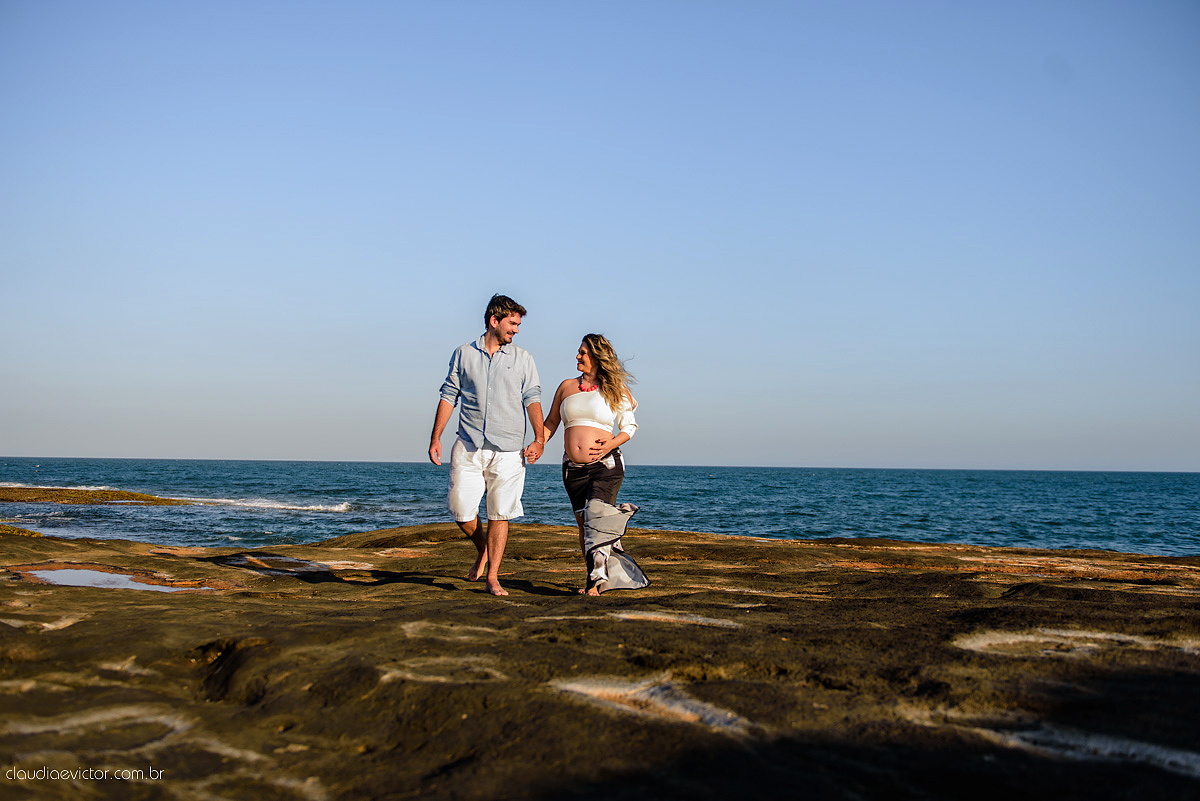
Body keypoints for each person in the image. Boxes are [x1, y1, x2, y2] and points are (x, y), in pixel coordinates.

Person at [429, 294, 545, 596]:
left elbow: (532, 397)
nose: (516, 330)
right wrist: (435, 437)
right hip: (468, 444)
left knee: (500, 513)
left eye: (518, 324)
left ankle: (493, 576)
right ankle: (482, 548)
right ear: (494, 321)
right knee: (460, 508)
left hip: (509, 450)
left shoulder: (523, 358)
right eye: (512, 323)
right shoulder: (463, 354)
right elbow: (448, 395)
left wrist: (539, 438)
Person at [541, 333, 645, 595]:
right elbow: (551, 422)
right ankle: (595, 576)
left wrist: (610, 444)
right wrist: (538, 443)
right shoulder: (566, 387)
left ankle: (595, 584)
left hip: (606, 465)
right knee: (584, 524)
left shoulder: (613, 389)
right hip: (572, 470)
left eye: (583, 353)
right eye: (578, 352)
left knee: (595, 518)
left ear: (598, 357)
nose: (578, 356)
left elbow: (629, 426)